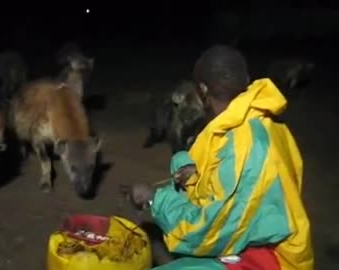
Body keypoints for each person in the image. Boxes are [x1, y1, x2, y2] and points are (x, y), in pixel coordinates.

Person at [121, 45, 314, 270]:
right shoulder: (260, 123)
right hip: (253, 241)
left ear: (202, 89)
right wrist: (194, 173)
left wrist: (155, 199)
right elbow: (228, 184)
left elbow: (207, 233)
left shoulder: (245, 145)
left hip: (271, 258)